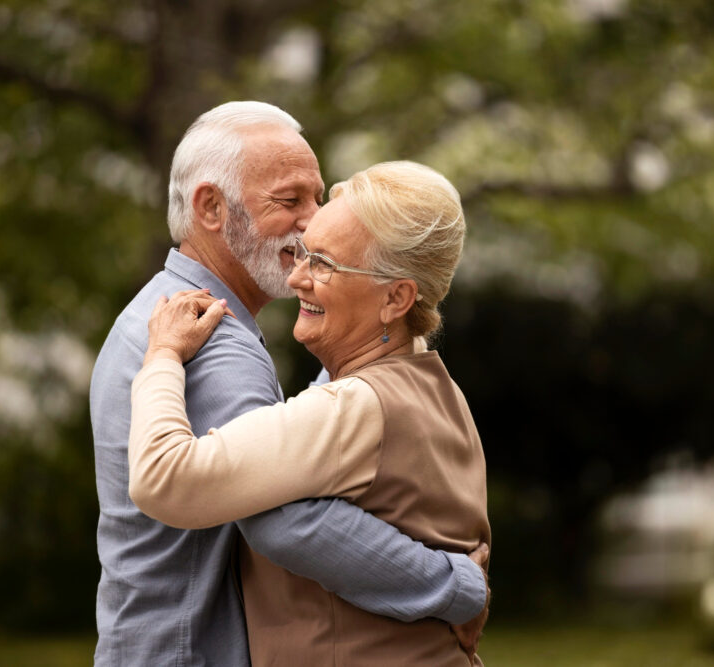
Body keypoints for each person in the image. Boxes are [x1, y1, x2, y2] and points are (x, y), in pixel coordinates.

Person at [89, 103, 488, 666]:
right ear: (211, 207)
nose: (311, 224)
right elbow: (286, 519)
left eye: (318, 199)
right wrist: (458, 587)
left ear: (397, 297)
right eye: (290, 201)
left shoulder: (155, 311)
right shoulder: (213, 341)